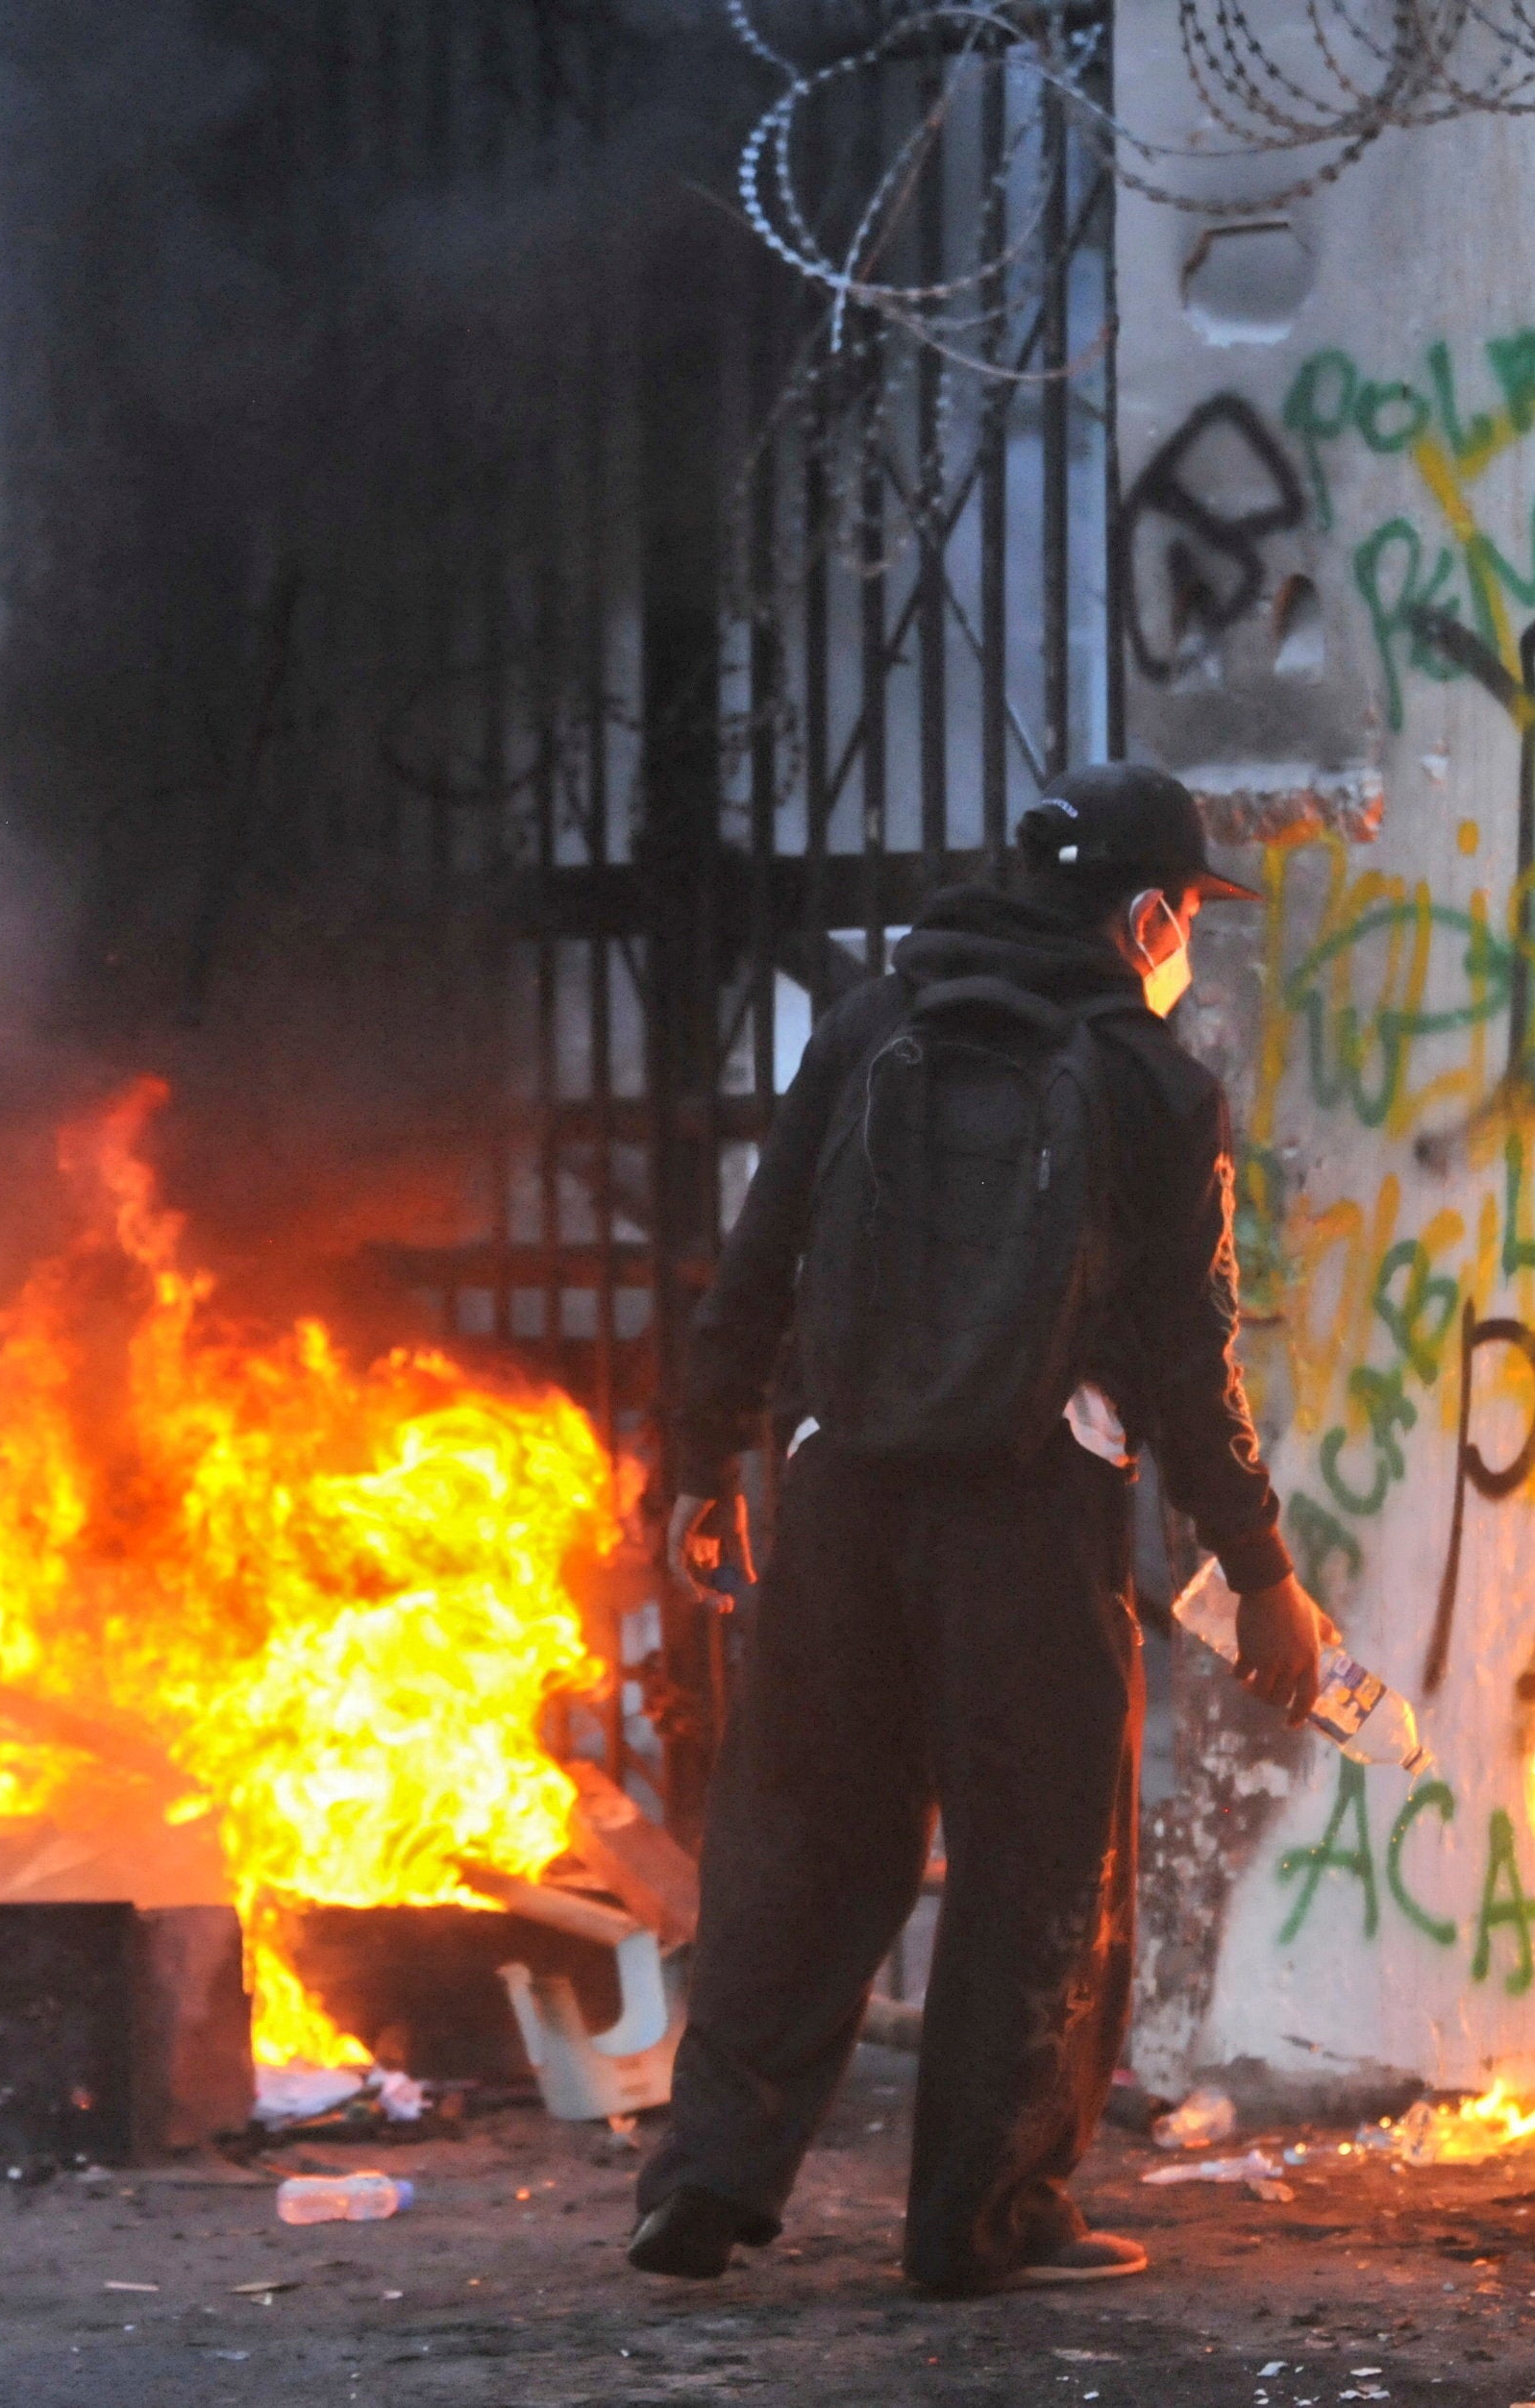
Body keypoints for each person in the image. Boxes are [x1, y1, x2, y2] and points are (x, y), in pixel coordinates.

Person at [628, 759, 1331, 2296]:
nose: (1186, 946)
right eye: (1186, 919)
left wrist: (695, 1465)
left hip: (838, 1497)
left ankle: (705, 2177)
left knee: (801, 1846)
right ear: (1146, 913)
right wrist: (1258, 1566)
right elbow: (1183, 1350)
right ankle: (984, 2216)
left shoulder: (871, 1022)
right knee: (1040, 1862)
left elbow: (761, 1249)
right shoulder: (1152, 1083)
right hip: (1027, 1511)